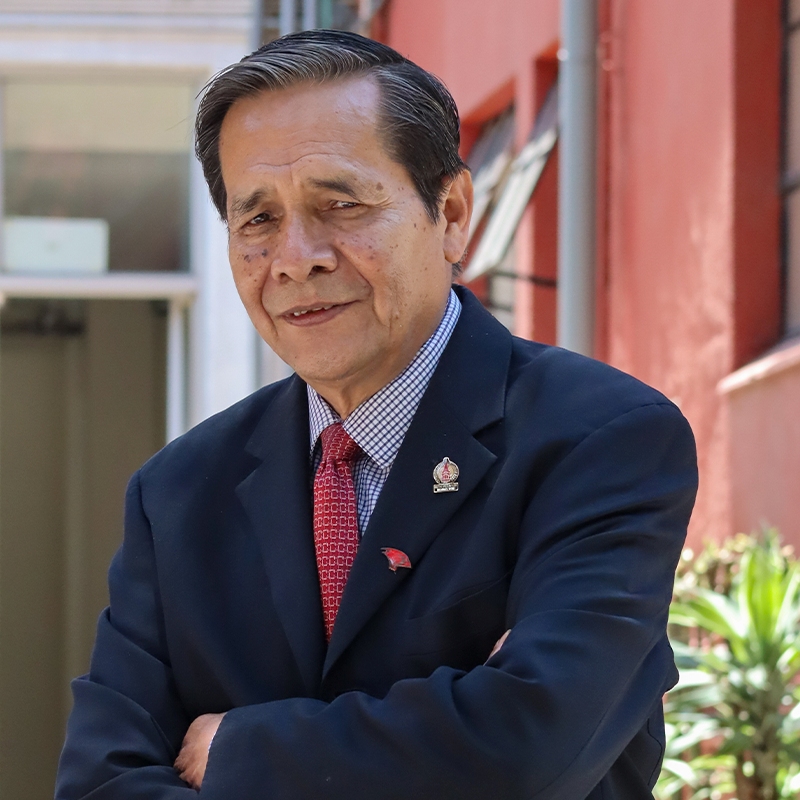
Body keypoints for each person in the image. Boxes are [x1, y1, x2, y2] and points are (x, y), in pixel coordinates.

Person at [55, 29, 697, 800]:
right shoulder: (178, 493)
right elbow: (100, 784)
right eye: (258, 220)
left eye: (341, 204)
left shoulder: (601, 439)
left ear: (452, 213)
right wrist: (454, 723)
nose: (297, 257)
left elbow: (527, 748)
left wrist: (240, 749)